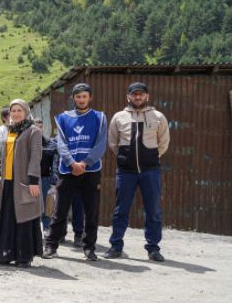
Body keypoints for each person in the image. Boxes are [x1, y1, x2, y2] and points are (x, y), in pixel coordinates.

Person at [43, 83, 108, 261]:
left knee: (91, 211)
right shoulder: (63, 118)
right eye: (78, 97)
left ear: (90, 98)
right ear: (73, 98)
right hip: (68, 170)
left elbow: (101, 144)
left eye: (84, 96)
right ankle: (51, 246)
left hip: (91, 170)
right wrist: (72, 163)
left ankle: (89, 248)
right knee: (59, 210)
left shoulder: (100, 117)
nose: (81, 99)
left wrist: (85, 163)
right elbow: (61, 144)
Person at [106, 82, 170, 262]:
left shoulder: (158, 116)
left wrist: (151, 157)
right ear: (128, 96)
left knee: (153, 210)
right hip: (126, 172)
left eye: (141, 94)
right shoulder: (119, 117)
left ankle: (153, 248)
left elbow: (164, 142)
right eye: (134, 94)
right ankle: (116, 246)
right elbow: (113, 142)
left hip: (151, 171)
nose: (138, 97)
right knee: (121, 210)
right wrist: (124, 157)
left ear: (147, 96)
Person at [0, 99, 43, 267]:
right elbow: (1, 155)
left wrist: (33, 181)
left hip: (24, 181)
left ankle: (24, 256)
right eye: (13, 110)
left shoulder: (33, 131)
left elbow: (36, 156)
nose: (15, 113)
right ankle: (6, 254)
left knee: (24, 218)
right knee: (7, 218)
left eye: (19, 110)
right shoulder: (9, 131)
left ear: (26, 111)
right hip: (7, 182)